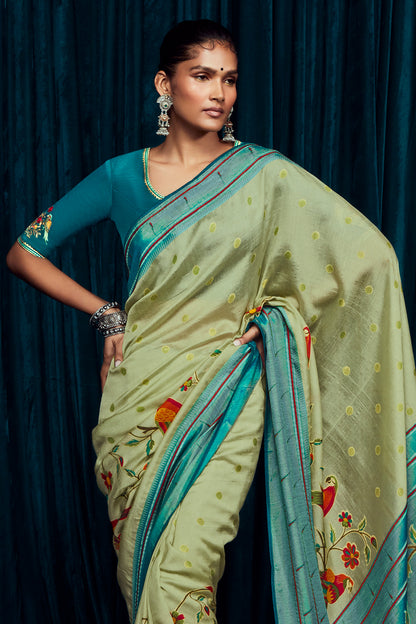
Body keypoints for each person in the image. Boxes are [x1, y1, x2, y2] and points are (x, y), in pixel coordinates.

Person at [7, 19, 415, 624]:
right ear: (164, 85)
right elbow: (24, 252)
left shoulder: (266, 175)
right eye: (202, 76)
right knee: (145, 570)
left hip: (227, 390)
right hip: (137, 397)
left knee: (187, 567)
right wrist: (106, 314)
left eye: (230, 79)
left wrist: (276, 320)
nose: (220, 93)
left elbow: (371, 257)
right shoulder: (121, 177)